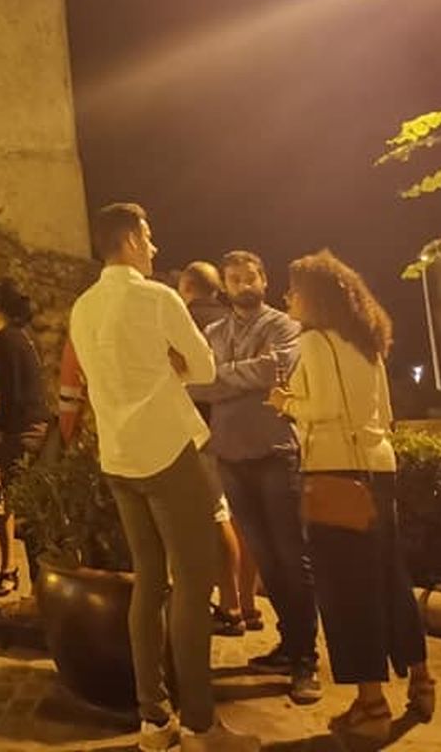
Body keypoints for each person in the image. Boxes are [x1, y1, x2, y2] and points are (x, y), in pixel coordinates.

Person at [69, 203, 256, 752]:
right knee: (194, 586)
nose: (154, 247)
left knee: (149, 582)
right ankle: (201, 725)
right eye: (148, 237)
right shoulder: (156, 297)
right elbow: (203, 369)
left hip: (119, 456)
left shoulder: (83, 308)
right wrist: (168, 363)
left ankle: (154, 719)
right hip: (168, 451)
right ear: (128, 240)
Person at [269, 251, 433, 743]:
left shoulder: (314, 342)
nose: (288, 298)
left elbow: (318, 409)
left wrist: (285, 403)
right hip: (379, 469)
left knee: (346, 593)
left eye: (294, 290)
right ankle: (422, 681)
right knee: (389, 579)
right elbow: (383, 412)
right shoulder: (369, 344)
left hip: (335, 473)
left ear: (315, 296)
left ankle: (371, 704)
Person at [190, 251, 320, 705]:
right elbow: (195, 383)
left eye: (251, 276)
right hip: (231, 455)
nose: (244, 283)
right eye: (235, 278)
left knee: (291, 556)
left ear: (264, 280)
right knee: (264, 556)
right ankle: (289, 644)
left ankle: (306, 661)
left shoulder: (285, 326)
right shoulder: (212, 332)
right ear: (224, 285)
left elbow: (278, 370)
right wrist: (241, 377)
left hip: (274, 453)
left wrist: (222, 377)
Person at [179, 260, 261, 639]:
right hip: (237, 427)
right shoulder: (233, 322)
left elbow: (184, 377)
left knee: (216, 514)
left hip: (200, 425)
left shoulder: (186, 320)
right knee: (239, 515)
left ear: (187, 285)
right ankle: (248, 602)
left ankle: (229, 607)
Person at [0, 276, 50, 593]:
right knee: (22, 505)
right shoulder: (23, 337)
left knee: (15, 506)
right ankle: (33, 579)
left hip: (20, 429)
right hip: (34, 425)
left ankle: (31, 580)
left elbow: (9, 393)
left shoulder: (4, 340)